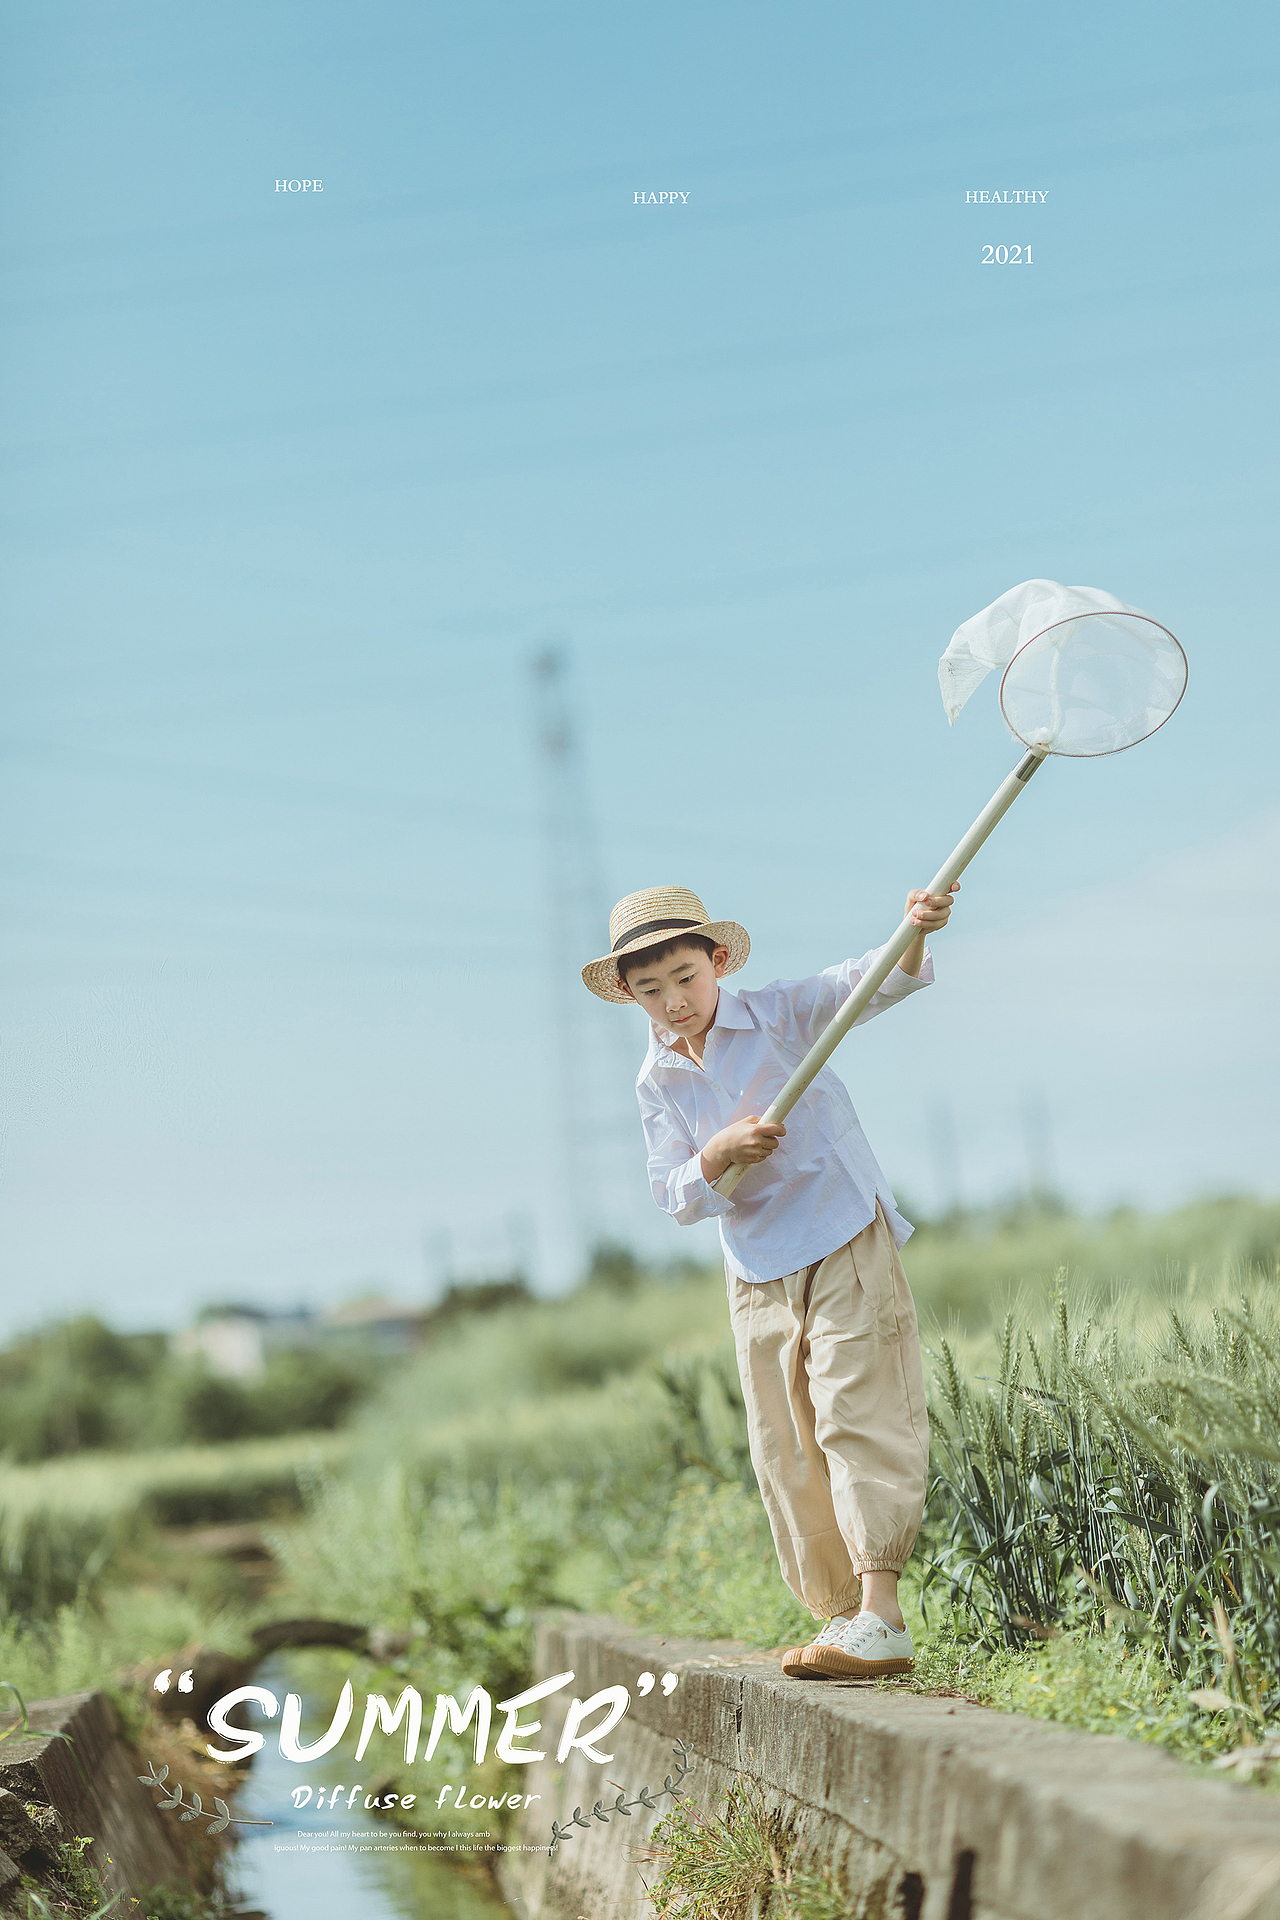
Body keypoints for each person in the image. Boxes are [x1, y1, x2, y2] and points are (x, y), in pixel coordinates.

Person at [581, 882, 956, 1679]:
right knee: (785, 1444)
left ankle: (882, 1611)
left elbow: (872, 980)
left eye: (685, 977)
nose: (674, 1002)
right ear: (627, 994)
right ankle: (847, 1620)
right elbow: (674, 1194)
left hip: (841, 1231)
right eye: (650, 990)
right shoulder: (656, 1081)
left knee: (859, 1411)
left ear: (716, 961)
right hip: (755, 1268)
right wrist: (717, 1155)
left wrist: (914, 930)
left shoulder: (779, 1014)